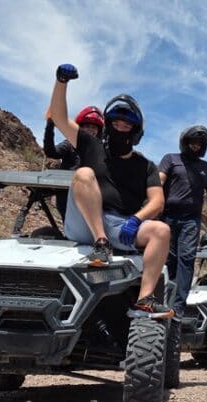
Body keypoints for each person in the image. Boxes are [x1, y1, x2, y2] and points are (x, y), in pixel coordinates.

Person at [47, 63, 172, 317]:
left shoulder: (146, 165)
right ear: (108, 124)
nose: (120, 127)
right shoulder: (90, 145)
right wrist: (61, 82)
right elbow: (59, 118)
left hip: (121, 224)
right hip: (85, 221)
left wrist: (136, 220)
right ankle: (100, 243)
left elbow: (157, 202)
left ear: (135, 131)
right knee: (83, 173)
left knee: (162, 230)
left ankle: (145, 300)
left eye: (127, 124)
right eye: (115, 122)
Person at [158, 125, 207, 316]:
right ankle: (162, 299)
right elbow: (158, 182)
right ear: (185, 142)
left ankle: (178, 306)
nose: (195, 146)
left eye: (199, 143)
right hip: (167, 216)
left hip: (191, 220)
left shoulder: (206, 167)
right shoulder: (170, 159)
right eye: (192, 142)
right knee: (168, 259)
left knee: (186, 258)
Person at [43, 105, 104, 218]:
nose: (91, 130)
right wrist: (50, 127)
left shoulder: (102, 150)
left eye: (94, 127)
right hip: (67, 193)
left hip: (91, 196)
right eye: (87, 126)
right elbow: (51, 152)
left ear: (99, 131)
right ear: (80, 128)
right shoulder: (69, 144)